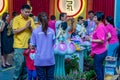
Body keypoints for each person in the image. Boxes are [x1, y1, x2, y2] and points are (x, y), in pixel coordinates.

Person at [12, 4, 35, 80]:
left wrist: (30, 27)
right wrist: (25, 27)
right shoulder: (16, 19)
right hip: (19, 46)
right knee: (19, 66)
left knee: (26, 66)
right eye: (26, 12)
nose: (28, 14)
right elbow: (15, 31)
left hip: (28, 47)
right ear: (21, 11)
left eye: (29, 12)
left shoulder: (30, 19)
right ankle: (16, 78)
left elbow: (34, 32)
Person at [30, 12, 55, 80]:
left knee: (41, 78)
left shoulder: (35, 31)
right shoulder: (52, 31)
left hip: (39, 59)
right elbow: (53, 43)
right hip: (50, 58)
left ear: (38, 21)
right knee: (50, 78)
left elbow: (32, 45)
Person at [88, 12, 107, 80]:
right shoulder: (99, 26)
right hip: (99, 51)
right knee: (99, 68)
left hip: (100, 52)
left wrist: (91, 40)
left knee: (98, 69)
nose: (93, 18)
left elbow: (101, 40)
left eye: (95, 17)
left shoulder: (100, 27)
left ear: (99, 18)